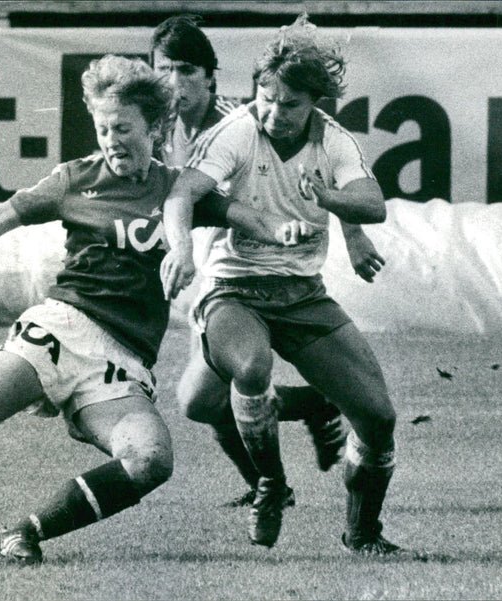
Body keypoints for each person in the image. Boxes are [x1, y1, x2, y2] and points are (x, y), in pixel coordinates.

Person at [0, 55, 305, 565]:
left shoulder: (177, 190)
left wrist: (281, 229)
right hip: (61, 329)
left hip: (122, 362)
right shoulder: (75, 179)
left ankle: (22, 534)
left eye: (123, 128)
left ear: (157, 126)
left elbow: (239, 213)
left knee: (150, 460)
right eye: (102, 129)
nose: (111, 140)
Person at [160, 16, 417, 556]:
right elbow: (182, 193)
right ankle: (271, 484)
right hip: (232, 288)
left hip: (302, 293)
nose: (274, 112)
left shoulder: (333, 138)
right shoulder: (237, 128)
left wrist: (333, 210)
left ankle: (363, 535)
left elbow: (373, 202)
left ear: (316, 102)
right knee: (246, 371)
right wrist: (182, 250)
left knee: (378, 417)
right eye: (265, 96)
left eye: (290, 104)